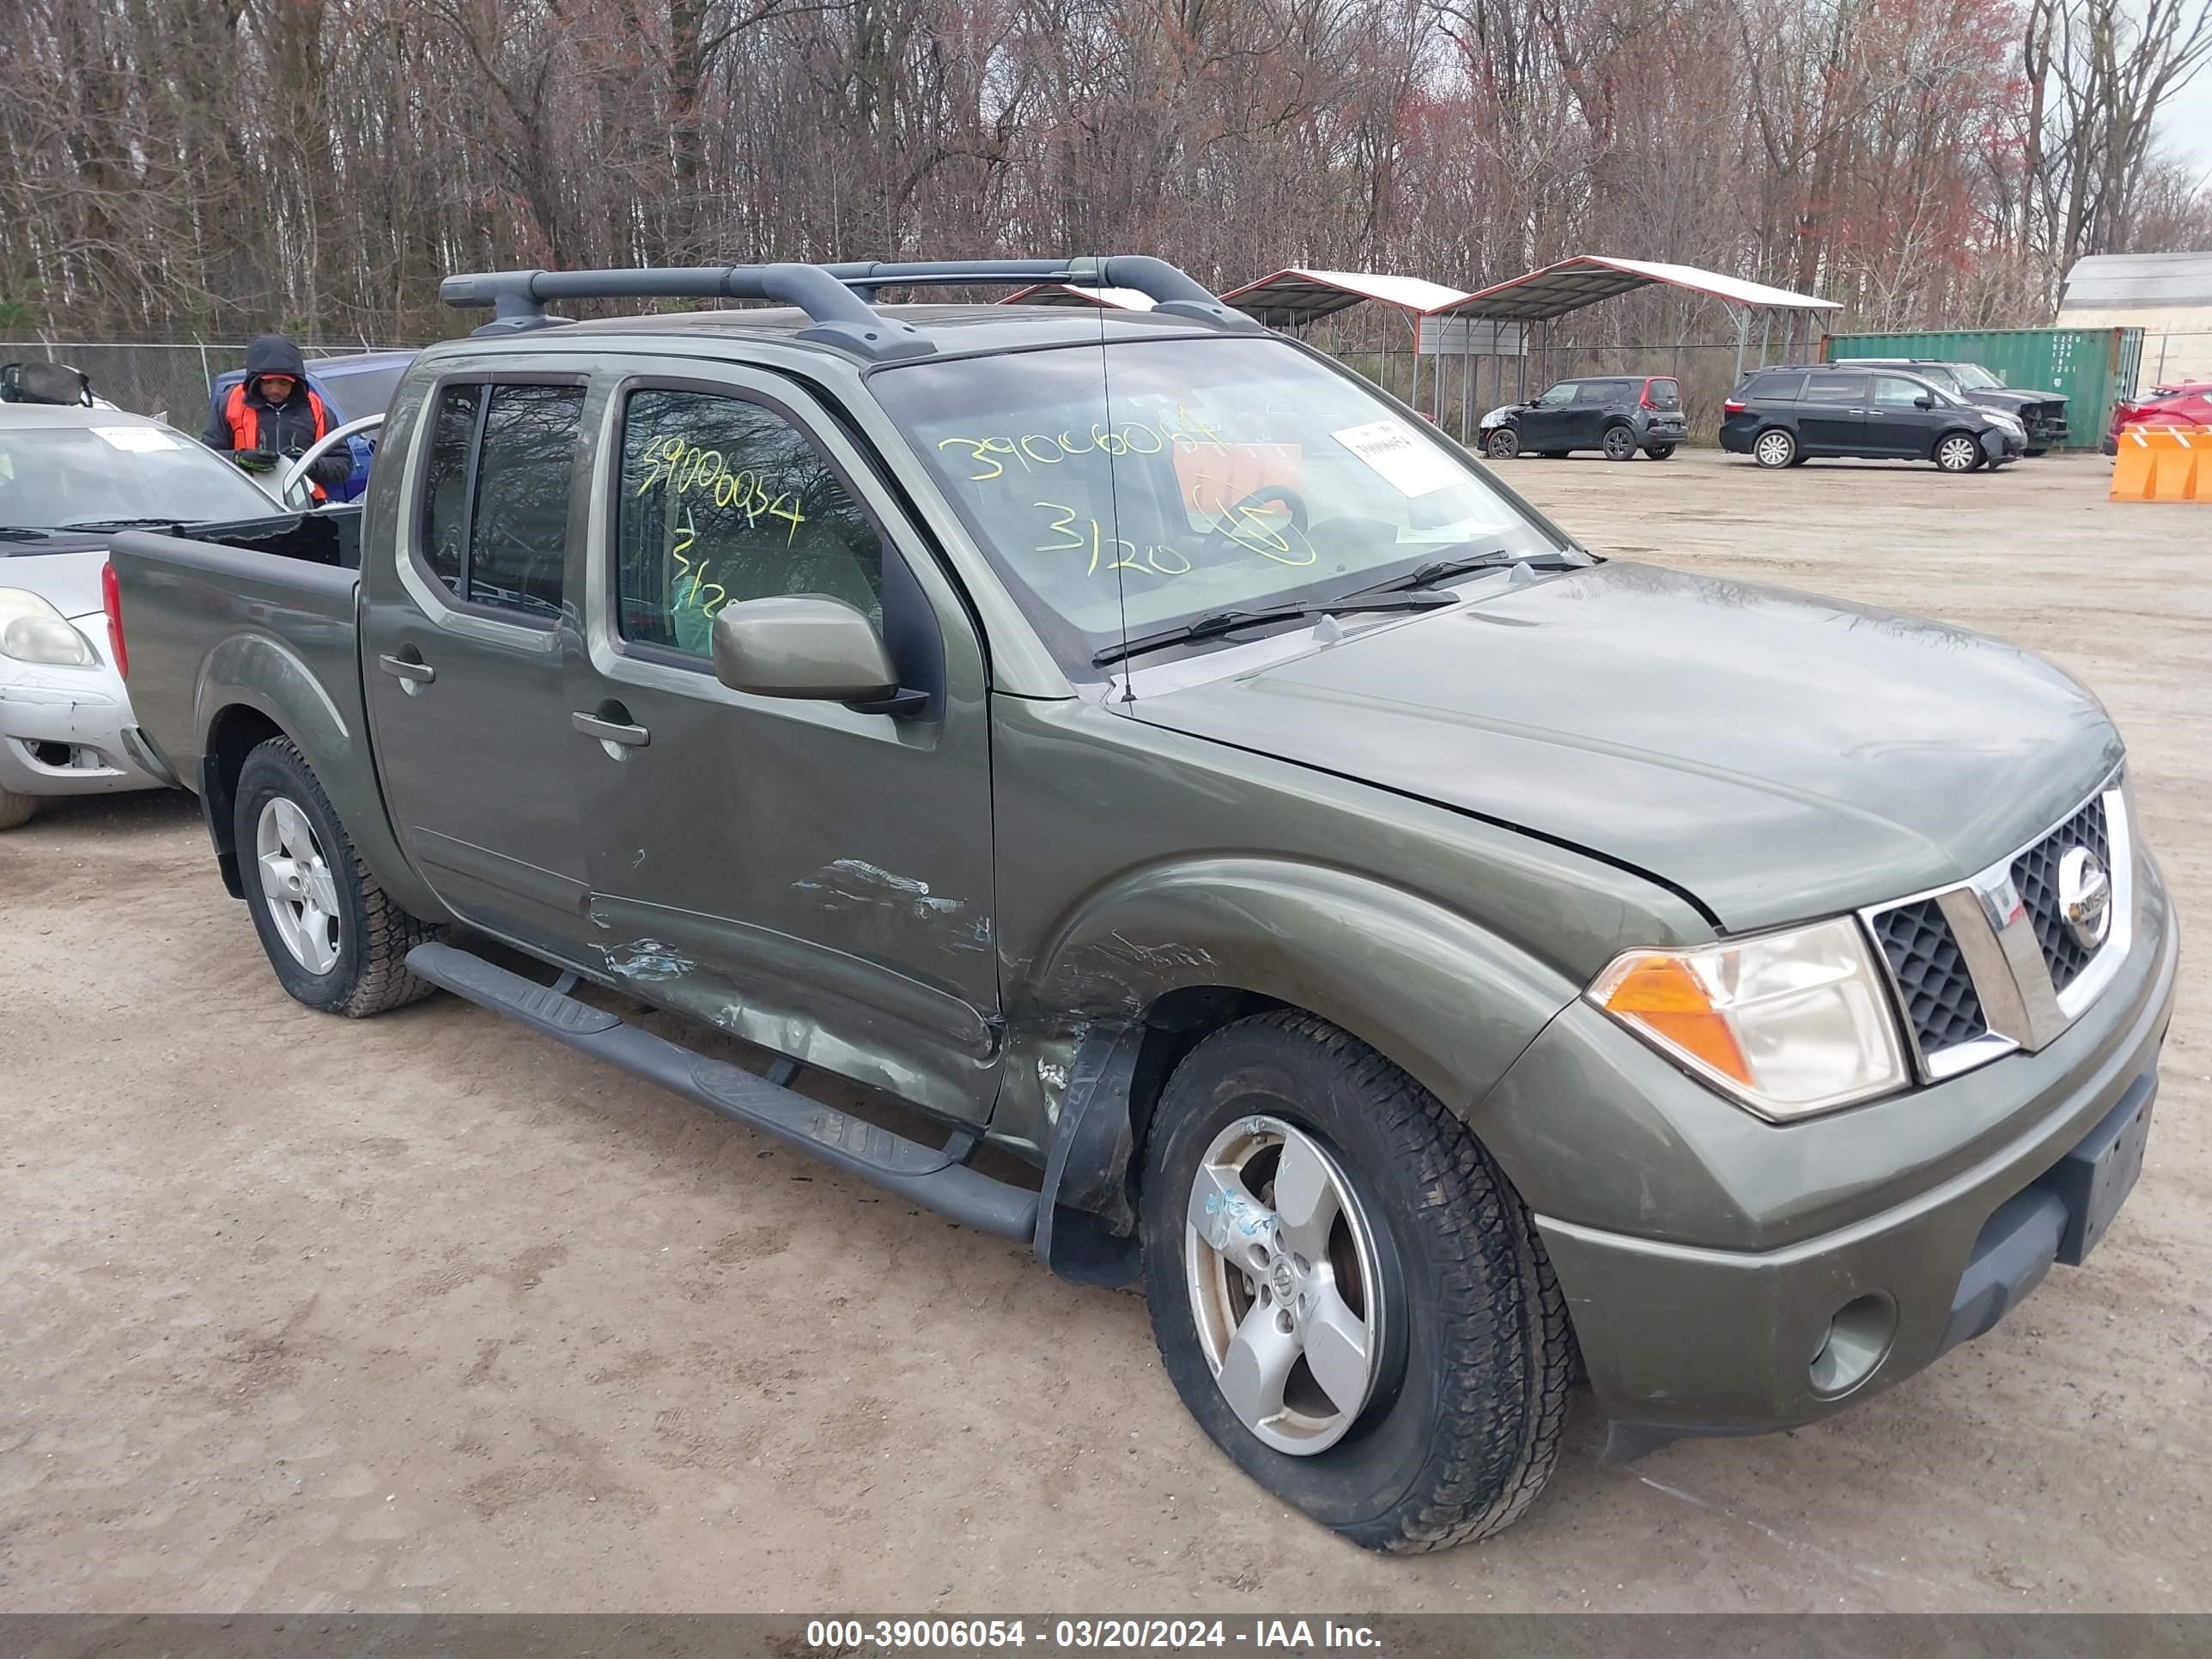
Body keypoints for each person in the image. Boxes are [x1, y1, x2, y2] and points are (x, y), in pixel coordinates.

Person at [200, 335, 352, 501]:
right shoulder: (230, 404)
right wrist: (239, 459)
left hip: (304, 505)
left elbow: (343, 464)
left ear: (295, 383)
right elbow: (206, 458)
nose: (275, 390)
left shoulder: (317, 410)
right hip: (244, 503)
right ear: (256, 381)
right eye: (268, 382)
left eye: (283, 383)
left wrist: (309, 464)